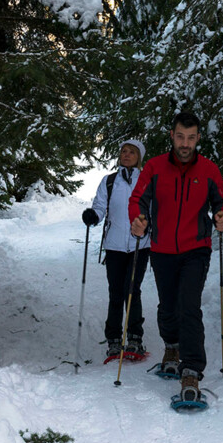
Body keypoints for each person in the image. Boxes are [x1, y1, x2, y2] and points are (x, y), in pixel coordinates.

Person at [129, 111, 223, 403]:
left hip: (196, 248)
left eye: (191, 137)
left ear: (198, 139)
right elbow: (139, 199)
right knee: (168, 306)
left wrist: (222, 216)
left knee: (189, 305)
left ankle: (192, 370)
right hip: (162, 249)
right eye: (180, 137)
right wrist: (138, 218)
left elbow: (220, 199)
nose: (185, 143)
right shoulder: (155, 167)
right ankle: (171, 345)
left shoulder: (209, 170)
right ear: (172, 136)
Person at [82, 139, 151, 361]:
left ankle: (134, 338)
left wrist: (148, 224)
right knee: (115, 292)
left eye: (131, 152)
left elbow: (154, 208)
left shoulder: (147, 181)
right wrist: (93, 215)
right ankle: (113, 339)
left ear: (139, 156)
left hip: (140, 244)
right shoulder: (109, 181)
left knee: (132, 290)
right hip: (114, 245)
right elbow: (100, 205)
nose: (126, 155)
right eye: (123, 151)